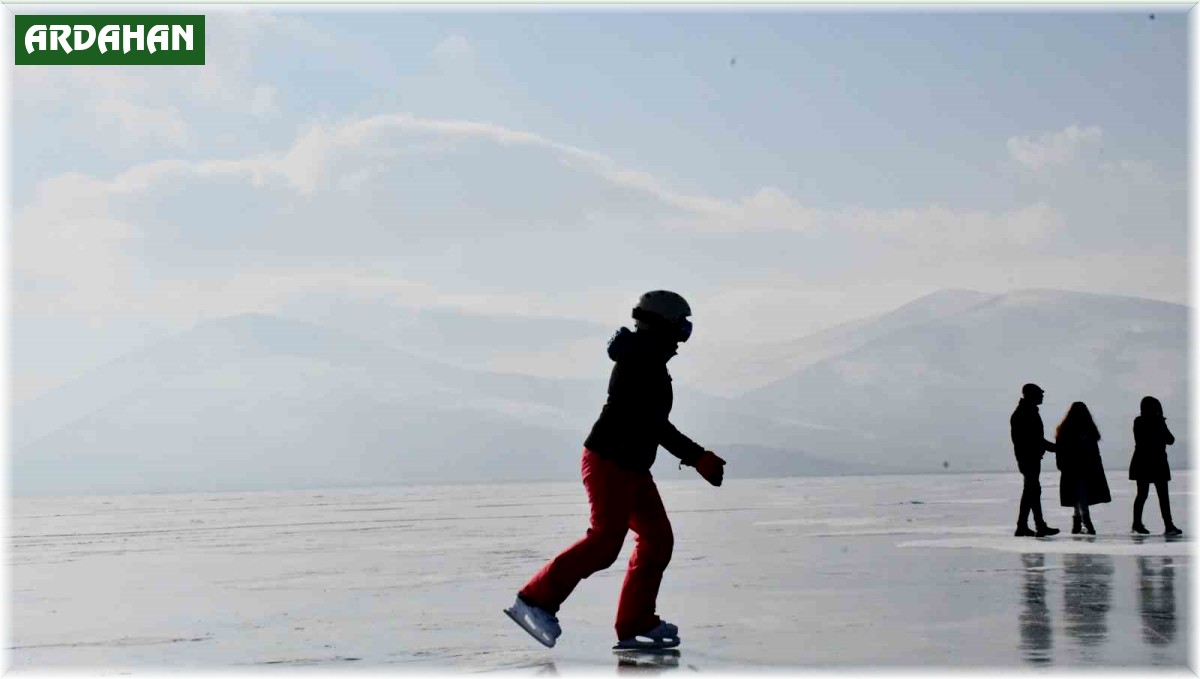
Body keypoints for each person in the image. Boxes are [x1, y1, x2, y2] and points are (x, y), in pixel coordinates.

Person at [505, 291, 727, 650]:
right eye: (681, 328)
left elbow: (653, 423)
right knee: (605, 542)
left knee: (657, 540)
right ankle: (534, 601)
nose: (683, 339)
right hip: (610, 461)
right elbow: (653, 424)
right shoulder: (640, 362)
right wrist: (698, 456)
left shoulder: (649, 360)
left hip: (633, 467)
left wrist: (697, 456)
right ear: (661, 326)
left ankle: (635, 622)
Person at [1054, 402, 1111, 535]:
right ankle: (1085, 521)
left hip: (1078, 468)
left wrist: (1062, 464)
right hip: (1081, 468)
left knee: (1079, 495)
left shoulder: (1067, 429)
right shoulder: (1086, 429)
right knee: (1081, 494)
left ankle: (1078, 523)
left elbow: (1060, 450)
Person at [1011, 383, 1059, 537]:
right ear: (1032, 395)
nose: (1042, 396)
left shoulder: (1028, 411)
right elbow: (1034, 439)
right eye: (1040, 393)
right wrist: (1058, 448)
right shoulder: (1025, 413)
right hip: (1028, 458)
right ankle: (1036, 525)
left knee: (1031, 491)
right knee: (1032, 490)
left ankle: (1026, 526)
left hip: (1030, 457)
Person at [1130, 396, 1182, 536]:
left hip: (1144, 462)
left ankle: (1138, 523)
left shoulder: (1139, 421)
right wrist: (1160, 424)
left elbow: (1169, 440)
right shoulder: (1154, 422)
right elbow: (1170, 439)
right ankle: (1168, 525)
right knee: (1160, 496)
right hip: (1154, 462)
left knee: (1143, 494)